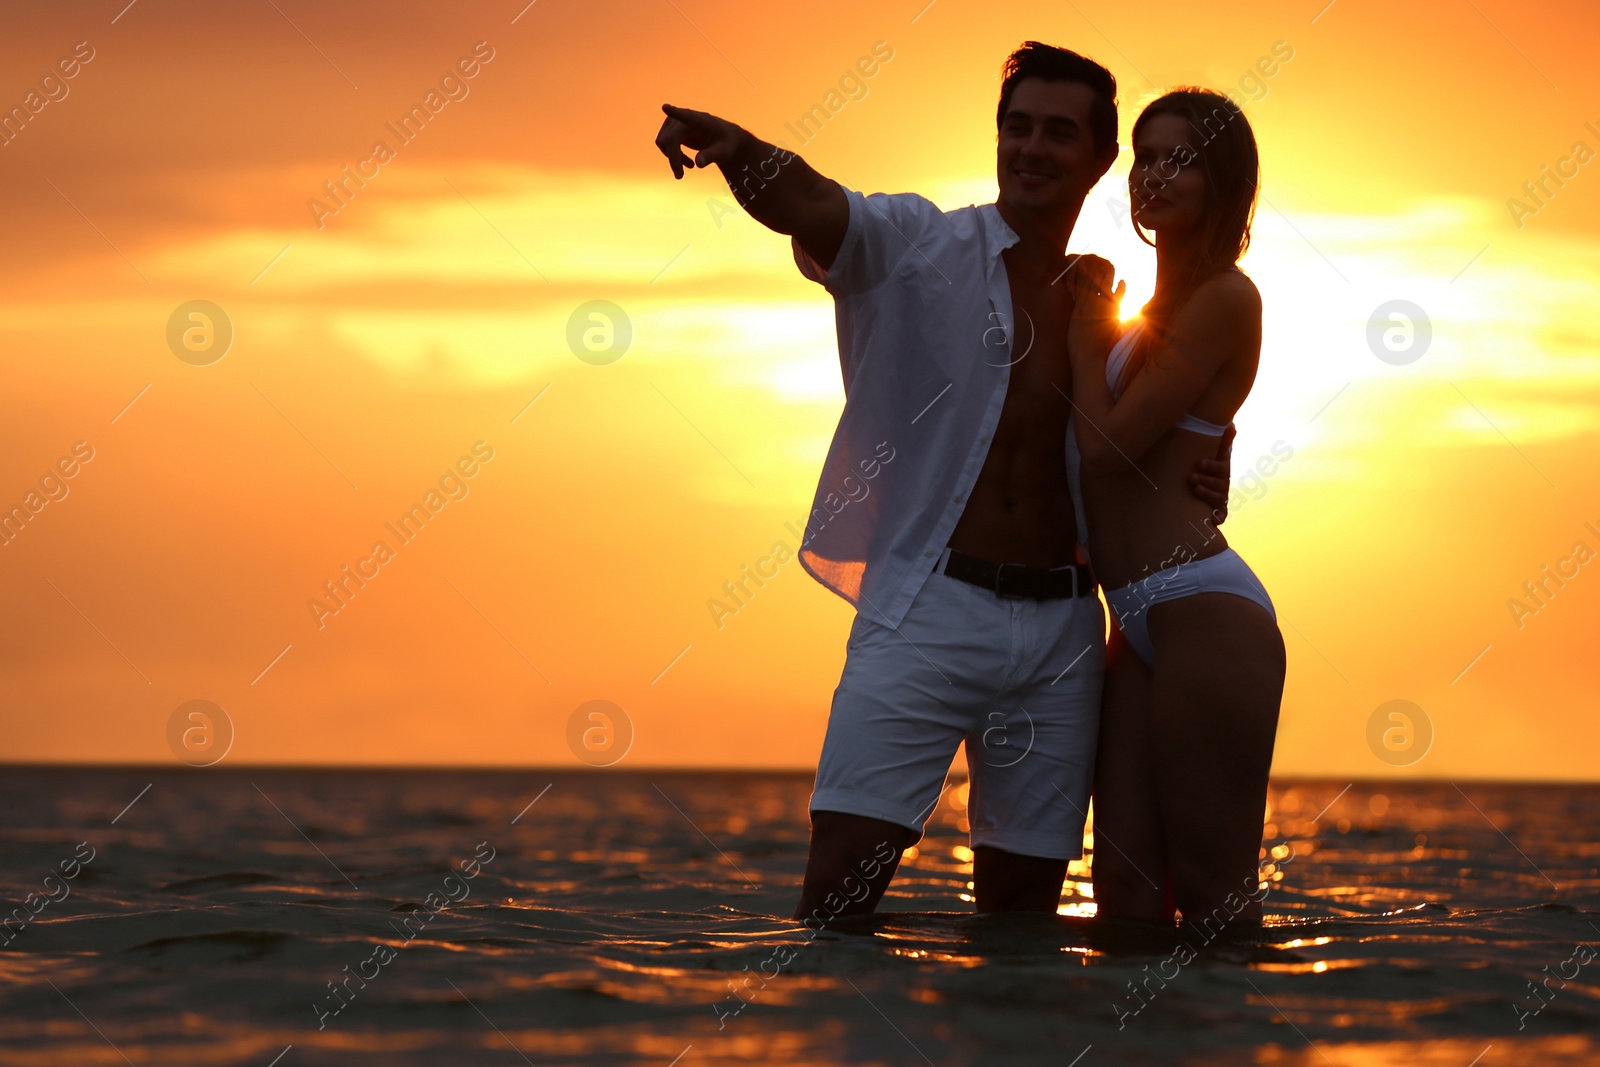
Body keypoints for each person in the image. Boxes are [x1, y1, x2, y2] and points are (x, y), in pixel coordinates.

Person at [653, 44, 1234, 923]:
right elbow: (810, 201)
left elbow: (1148, 439)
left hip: (1064, 632)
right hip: (928, 608)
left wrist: (1207, 465)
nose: (1032, 147)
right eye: (1018, 127)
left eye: (1058, 133)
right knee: (837, 892)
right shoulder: (917, 245)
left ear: (1099, 160)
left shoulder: (1106, 313)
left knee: (1021, 915)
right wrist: (736, 148)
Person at [1062, 88, 1285, 936]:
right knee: (1122, 893)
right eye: (1145, 156)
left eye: (1178, 159)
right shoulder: (1141, 315)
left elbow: (1108, 447)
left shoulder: (1229, 295)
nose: (1152, 174)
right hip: (1133, 618)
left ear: (1221, 180)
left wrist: (1086, 344)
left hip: (1203, 608)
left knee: (1211, 889)